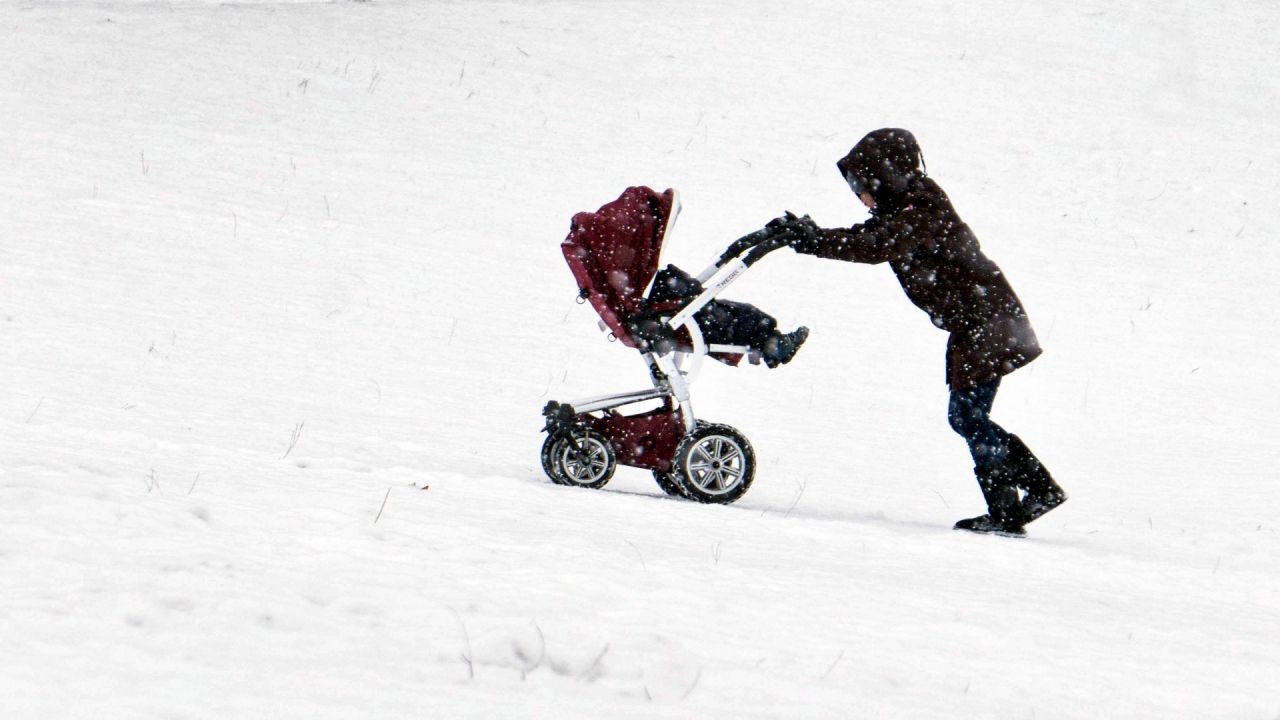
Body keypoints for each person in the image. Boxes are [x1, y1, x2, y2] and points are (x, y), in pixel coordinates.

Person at [768, 128, 1065, 535]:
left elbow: (876, 246)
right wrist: (812, 236)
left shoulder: (922, 209)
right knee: (968, 417)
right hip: (978, 322)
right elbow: (871, 236)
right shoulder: (907, 206)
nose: (860, 196)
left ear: (885, 178)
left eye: (862, 185)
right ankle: (1021, 503)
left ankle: (1023, 502)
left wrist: (817, 242)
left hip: (988, 321)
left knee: (968, 417)